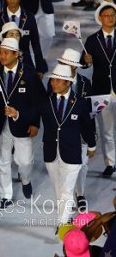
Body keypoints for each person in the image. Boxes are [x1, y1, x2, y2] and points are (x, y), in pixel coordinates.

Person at [0, 37, 46, 209]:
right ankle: (5, 195)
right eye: (0, 52)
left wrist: (34, 123)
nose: (2, 56)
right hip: (1, 124)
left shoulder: (29, 74)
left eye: (6, 53)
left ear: (16, 54)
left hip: (23, 124)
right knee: (3, 161)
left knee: (25, 161)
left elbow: (40, 101)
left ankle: (26, 179)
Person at [41, 64, 96, 227]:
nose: (53, 83)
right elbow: (32, 114)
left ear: (68, 83)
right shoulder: (46, 102)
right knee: (59, 189)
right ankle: (66, 215)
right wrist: (17, 114)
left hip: (72, 152)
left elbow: (87, 126)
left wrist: (91, 145)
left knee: (66, 190)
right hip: (51, 152)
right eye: (53, 80)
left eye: (58, 80)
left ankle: (62, 222)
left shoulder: (79, 103)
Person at [47, 48, 93, 211]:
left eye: (66, 63)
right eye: (61, 62)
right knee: (65, 166)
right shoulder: (54, 82)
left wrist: (91, 138)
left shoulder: (85, 83)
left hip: (81, 130)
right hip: (63, 133)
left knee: (82, 165)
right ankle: (66, 201)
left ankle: (80, 195)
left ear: (74, 66)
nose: (63, 65)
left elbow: (89, 111)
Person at [82, 1, 116, 177]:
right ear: (100, 18)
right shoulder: (92, 40)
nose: (110, 18)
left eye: (113, 15)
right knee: (107, 130)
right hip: (102, 90)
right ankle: (111, 163)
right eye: (107, 15)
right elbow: (84, 63)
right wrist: (86, 61)